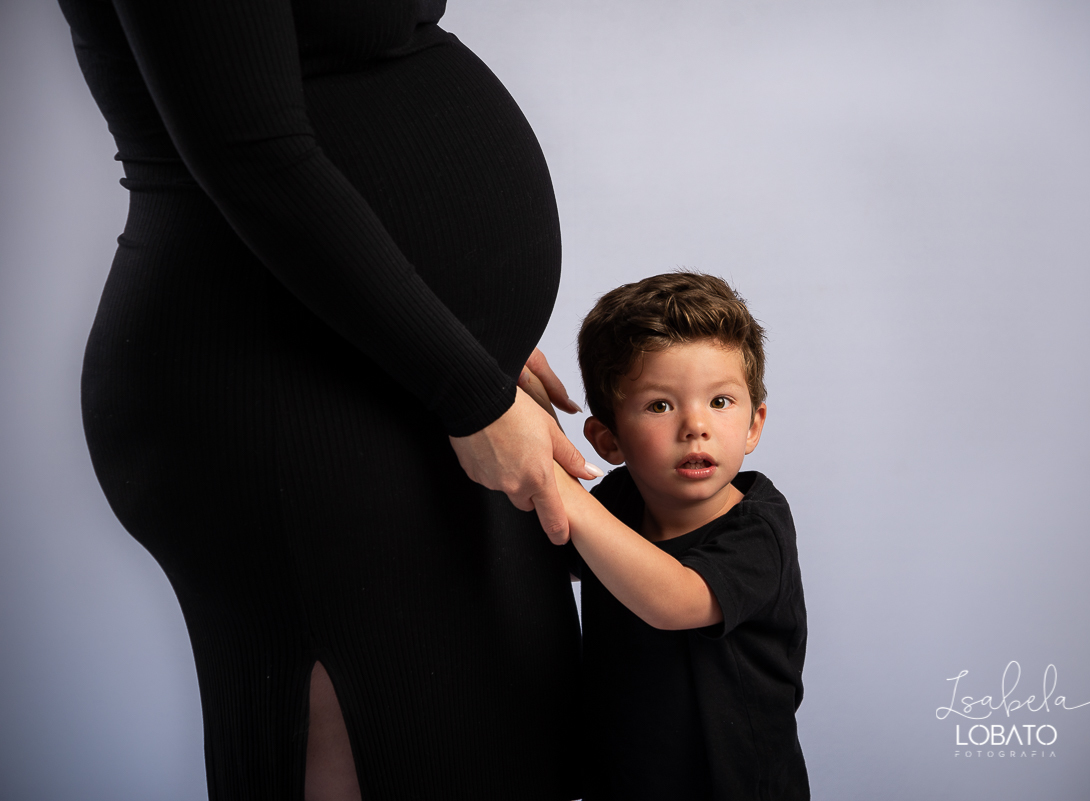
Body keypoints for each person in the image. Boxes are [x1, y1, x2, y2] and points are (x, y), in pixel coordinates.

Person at [56, 1, 596, 798]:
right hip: (279, 385)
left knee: (496, 746)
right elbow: (254, 152)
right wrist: (466, 384)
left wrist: (456, 330)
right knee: (373, 744)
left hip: (402, 368)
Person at [546, 272, 811, 799]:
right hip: (629, 776)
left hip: (733, 784)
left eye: (720, 402)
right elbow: (567, 556)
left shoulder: (758, 528)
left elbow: (676, 599)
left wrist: (550, 476)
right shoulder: (619, 501)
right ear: (608, 439)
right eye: (660, 405)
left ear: (755, 425)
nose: (696, 426)